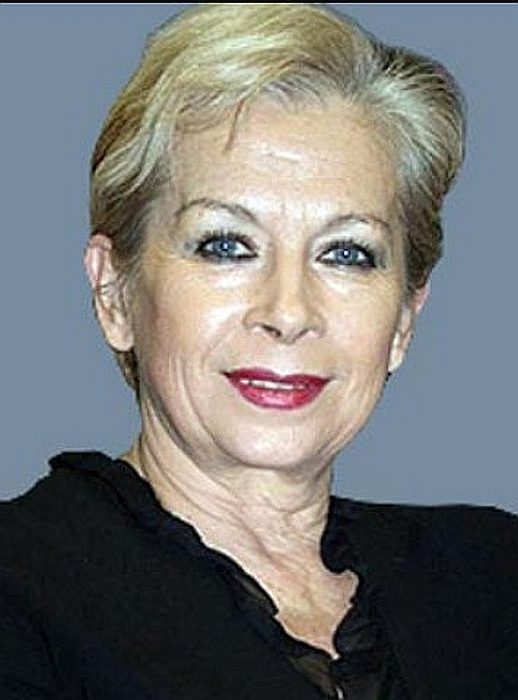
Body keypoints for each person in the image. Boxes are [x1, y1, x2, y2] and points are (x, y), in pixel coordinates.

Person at [1, 3, 517, 699]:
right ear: (114, 293)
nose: (288, 312)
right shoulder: (20, 591)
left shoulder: (495, 576)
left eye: (347, 253)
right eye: (226, 245)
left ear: (403, 318)